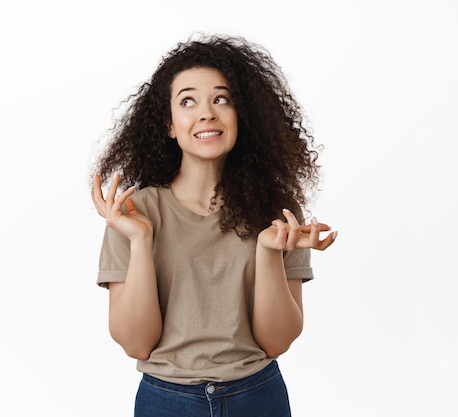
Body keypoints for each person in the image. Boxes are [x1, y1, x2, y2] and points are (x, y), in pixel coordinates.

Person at [90, 33, 337, 417]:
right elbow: (137, 345)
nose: (207, 113)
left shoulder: (276, 209)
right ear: (169, 124)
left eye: (221, 99)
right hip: (165, 401)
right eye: (187, 101)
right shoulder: (134, 212)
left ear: (243, 115)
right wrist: (140, 242)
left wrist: (269, 252)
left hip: (258, 397)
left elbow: (277, 342)